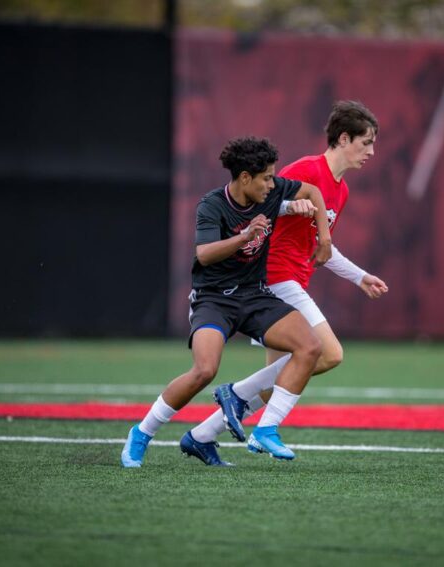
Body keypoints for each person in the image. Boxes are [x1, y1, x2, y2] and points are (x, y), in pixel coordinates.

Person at [180, 100, 389, 465]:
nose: (371, 152)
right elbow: (256, 204)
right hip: (273, 277)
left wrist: (360, 277)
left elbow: (321, 248)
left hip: (294, 280)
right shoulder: (307, 170)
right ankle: (258, 424)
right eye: (366, 142)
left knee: (276, 381)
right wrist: (293, 207)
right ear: (343, 138)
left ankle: (201, 435)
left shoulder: (341, 190)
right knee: (328, 353)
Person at [120, 136, 332, 467]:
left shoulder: (273, 190)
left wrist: (325, 240)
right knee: (204, 370)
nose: (272, 183)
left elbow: (313, 192)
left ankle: (266, 430)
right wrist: (246, 236)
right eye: (265, 177)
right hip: (214, 299)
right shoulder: (212, 205)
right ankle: (141, 433)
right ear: (245, 177)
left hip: (255, 294)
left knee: (311, 347)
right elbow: (204, 255)